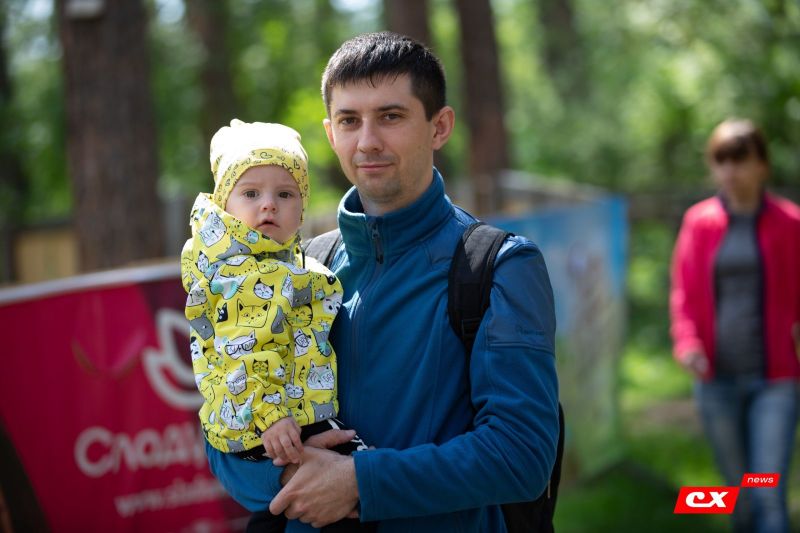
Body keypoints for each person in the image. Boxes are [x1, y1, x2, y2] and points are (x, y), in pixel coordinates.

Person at [207, 32, 560, 532]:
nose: (367, 141)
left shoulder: (498, 266)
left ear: (439, 127)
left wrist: (358, 482)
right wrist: (287, 475)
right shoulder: (297, 266)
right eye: (349, 120)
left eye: (390, 117)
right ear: (331, 133)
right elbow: (222, 426)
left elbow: (521, 455)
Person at [181, 119, 373, 533]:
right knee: (358, 481)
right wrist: (270, 415)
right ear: (225, 206)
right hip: (268, 418)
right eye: (251, 194)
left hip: (277, 417)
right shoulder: (243, 275)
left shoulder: (283, 263)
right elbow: (244, 349)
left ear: (301, 210)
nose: (268, 205)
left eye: (285, 194)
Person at [670, 118, 800, 533]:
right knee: (738, 496)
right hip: (716, 381)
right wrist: (688, 344)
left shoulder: (791, 224)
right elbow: (683, 293)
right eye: (721, 160)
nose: (730, 170)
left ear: (762, 165)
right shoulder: (699, 222)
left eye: (740, 160)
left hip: (775, 381)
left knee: (766, 490)